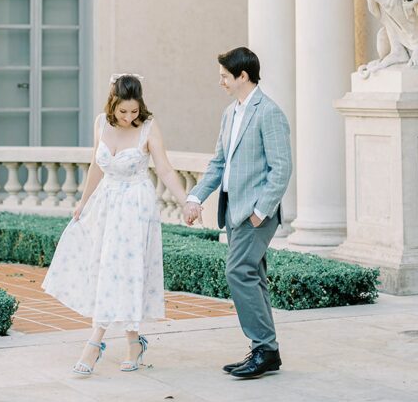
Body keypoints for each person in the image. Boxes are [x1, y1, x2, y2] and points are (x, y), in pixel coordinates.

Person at [42, 73, 189, 375]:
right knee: (105, 269)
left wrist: (186, 200)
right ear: (113, 104)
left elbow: (164, 168)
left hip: (136, 206)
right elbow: (96, 166)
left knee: (125, 272)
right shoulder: (100, 123)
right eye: (123, 111)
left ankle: (93, 345)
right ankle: (134, 343)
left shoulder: (148, 127)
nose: (128, 117)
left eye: (134, 111)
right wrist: (84, 201)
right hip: (107, 203)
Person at [184, 47, 292, 380]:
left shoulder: (268, 112)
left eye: (224, 77)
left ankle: (264, 348)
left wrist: (261, 211)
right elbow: (219, 164)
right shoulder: (230, 113)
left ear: (242, 76)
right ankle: (266, 350)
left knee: (238, 272)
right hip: (232, 209)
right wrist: (195, 197)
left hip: (254, 213)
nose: (221, 82)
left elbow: (281, 168)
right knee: (253, 276)